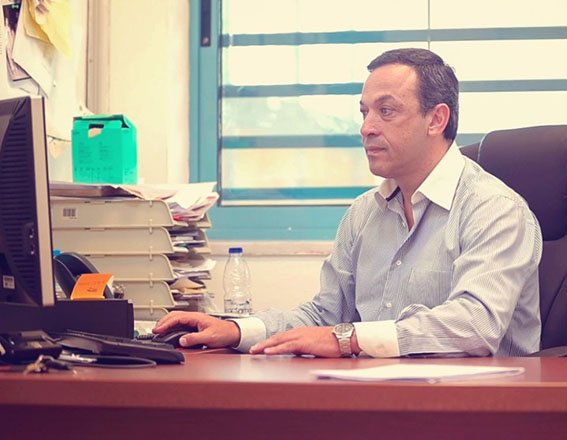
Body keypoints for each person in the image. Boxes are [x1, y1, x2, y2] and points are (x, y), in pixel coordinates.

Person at [154, 48, 542, 358]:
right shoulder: (364, 213)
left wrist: (347, 339)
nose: (366, 127)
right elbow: (325, 315)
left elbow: (474, 325)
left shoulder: (495, 210)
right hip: (378, 398)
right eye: (364, 112)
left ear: (436, 119)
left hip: (480, 408)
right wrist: (238, 330)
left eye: (386, 111)